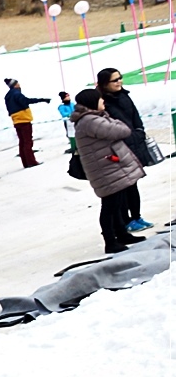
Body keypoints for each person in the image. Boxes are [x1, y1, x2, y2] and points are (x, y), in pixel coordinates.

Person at [71, 88, 147, 254]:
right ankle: (110, 241)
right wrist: (114, 120)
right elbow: (123, 130)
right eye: (100, 100)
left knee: (117, 204)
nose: (103, 102)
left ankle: (121, 235)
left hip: (109, 168)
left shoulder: (93, 119)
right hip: (105, 170)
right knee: (110, 206)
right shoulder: (90, 121)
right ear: (93, 102)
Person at [96, 68, 155, 232]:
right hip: (119, 148)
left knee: (133, 183)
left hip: (134, 143)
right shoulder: (102, 103)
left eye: (120, 78)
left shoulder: (124, 95)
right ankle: (125, 220)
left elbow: (135, 116)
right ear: (104, 84)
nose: (119, 82)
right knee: (123, 187)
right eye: (115, 80)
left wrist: (139, 131)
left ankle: (136, 216)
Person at [3, 78, 50, 169]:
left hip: (16, 120)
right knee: (28, 141)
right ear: (15, 85)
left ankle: (25, 162)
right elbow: (26, 101)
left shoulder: (7, 96)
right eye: (17, 83)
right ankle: (31, 161)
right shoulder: (16, 94)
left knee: (22, 142)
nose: (19, 84)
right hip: (24, 119)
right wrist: (42, 100)